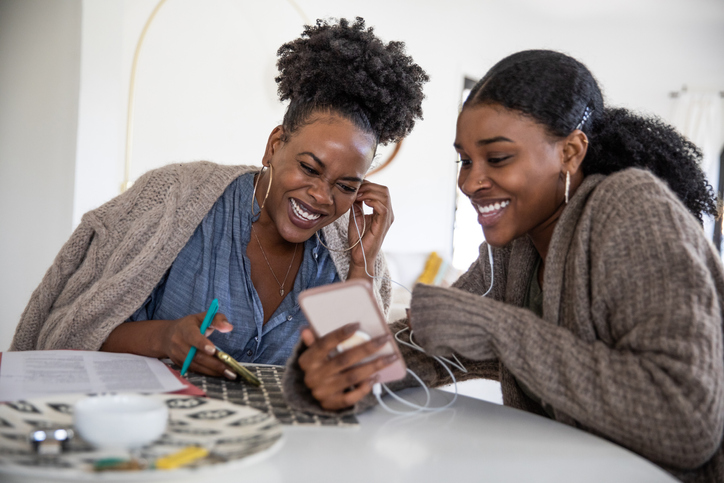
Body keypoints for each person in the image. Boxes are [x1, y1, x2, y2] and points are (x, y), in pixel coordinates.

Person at [284, 50, 724, 482]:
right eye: (465, 160)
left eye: (497, 158)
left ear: (570, 152)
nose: (470, 183)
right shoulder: (512, 248)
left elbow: (687, 421)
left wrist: (495, 328)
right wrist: (339, 373)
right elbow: (431, 346)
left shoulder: (630, 208)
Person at [10, 18, 428, 379]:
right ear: (274, 145)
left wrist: (361, 267)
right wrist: (167, 338)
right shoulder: (174, 199)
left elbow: (351, 378)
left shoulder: (344, 252)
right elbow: (70, 337)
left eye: (346, 186)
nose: (321, 197)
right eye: (309, 168)